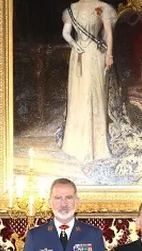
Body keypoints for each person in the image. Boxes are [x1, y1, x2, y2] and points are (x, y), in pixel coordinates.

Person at [60, 0, 117, 161]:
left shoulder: (103, 7)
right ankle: (74, 143)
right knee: (78, 95)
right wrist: (73, 43)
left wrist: (109, 55)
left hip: (95, 55)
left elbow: (108, 34)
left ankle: (96, 145)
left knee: (93, 93)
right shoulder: (72, 8)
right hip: (78, 55)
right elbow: (66, 33)